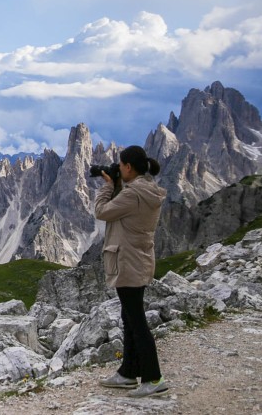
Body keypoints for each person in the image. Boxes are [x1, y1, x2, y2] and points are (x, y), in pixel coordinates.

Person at [94, 144, 170, 397]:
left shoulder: (132, 194)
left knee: (137, 322)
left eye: (120, 165)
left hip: (126, 262)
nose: (119, 168)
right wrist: (117, 185)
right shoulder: (147, 191)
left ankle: (153, 378)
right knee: (130, 317)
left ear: (128, 167)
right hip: (139, 260)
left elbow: (102, 211)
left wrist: (107, 186)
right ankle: (128, 373)